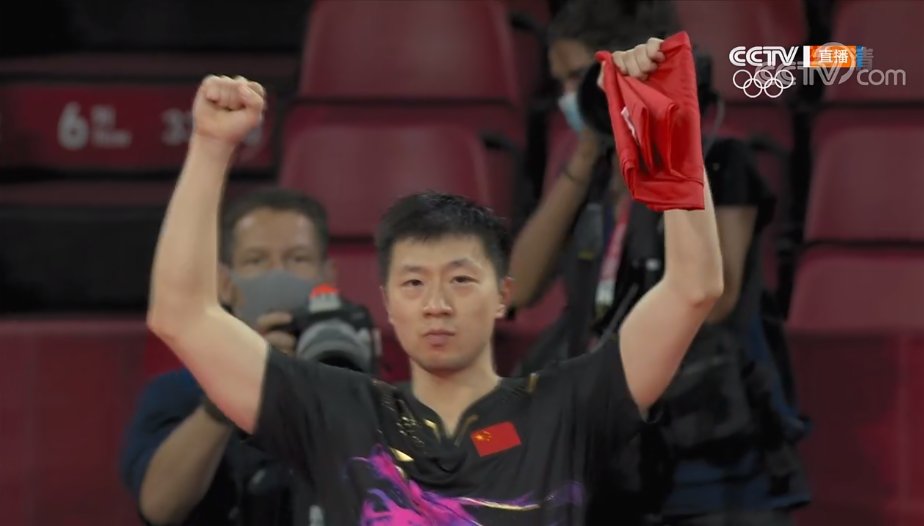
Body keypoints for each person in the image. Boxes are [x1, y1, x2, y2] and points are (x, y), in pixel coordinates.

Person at [145, 37, 723, 524]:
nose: (437, 304)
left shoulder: (567, 407)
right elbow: (181, 314)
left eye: (461, 280)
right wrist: (210, 147)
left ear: (502, 295)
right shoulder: (335, 410)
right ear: (387, 303)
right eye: (414, 284)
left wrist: (670, 132)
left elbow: (692, 289)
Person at [509, 1, 810, 525]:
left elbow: (715, 300)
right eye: (559, 83)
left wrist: (656, 132)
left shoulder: (718, 158)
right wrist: (587, 154)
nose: (568, 96)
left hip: (710, 449)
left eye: (579, 77)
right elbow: (519, 285)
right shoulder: (591, 171)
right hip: (610, 446)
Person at [120, 187, 334, 526]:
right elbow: (159, 508)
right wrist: (227, 395)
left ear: (327, 275)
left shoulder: (362, 384)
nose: (277, 274)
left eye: (298, 259)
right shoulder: (176, 394)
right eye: (256, 260)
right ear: (224, 281)